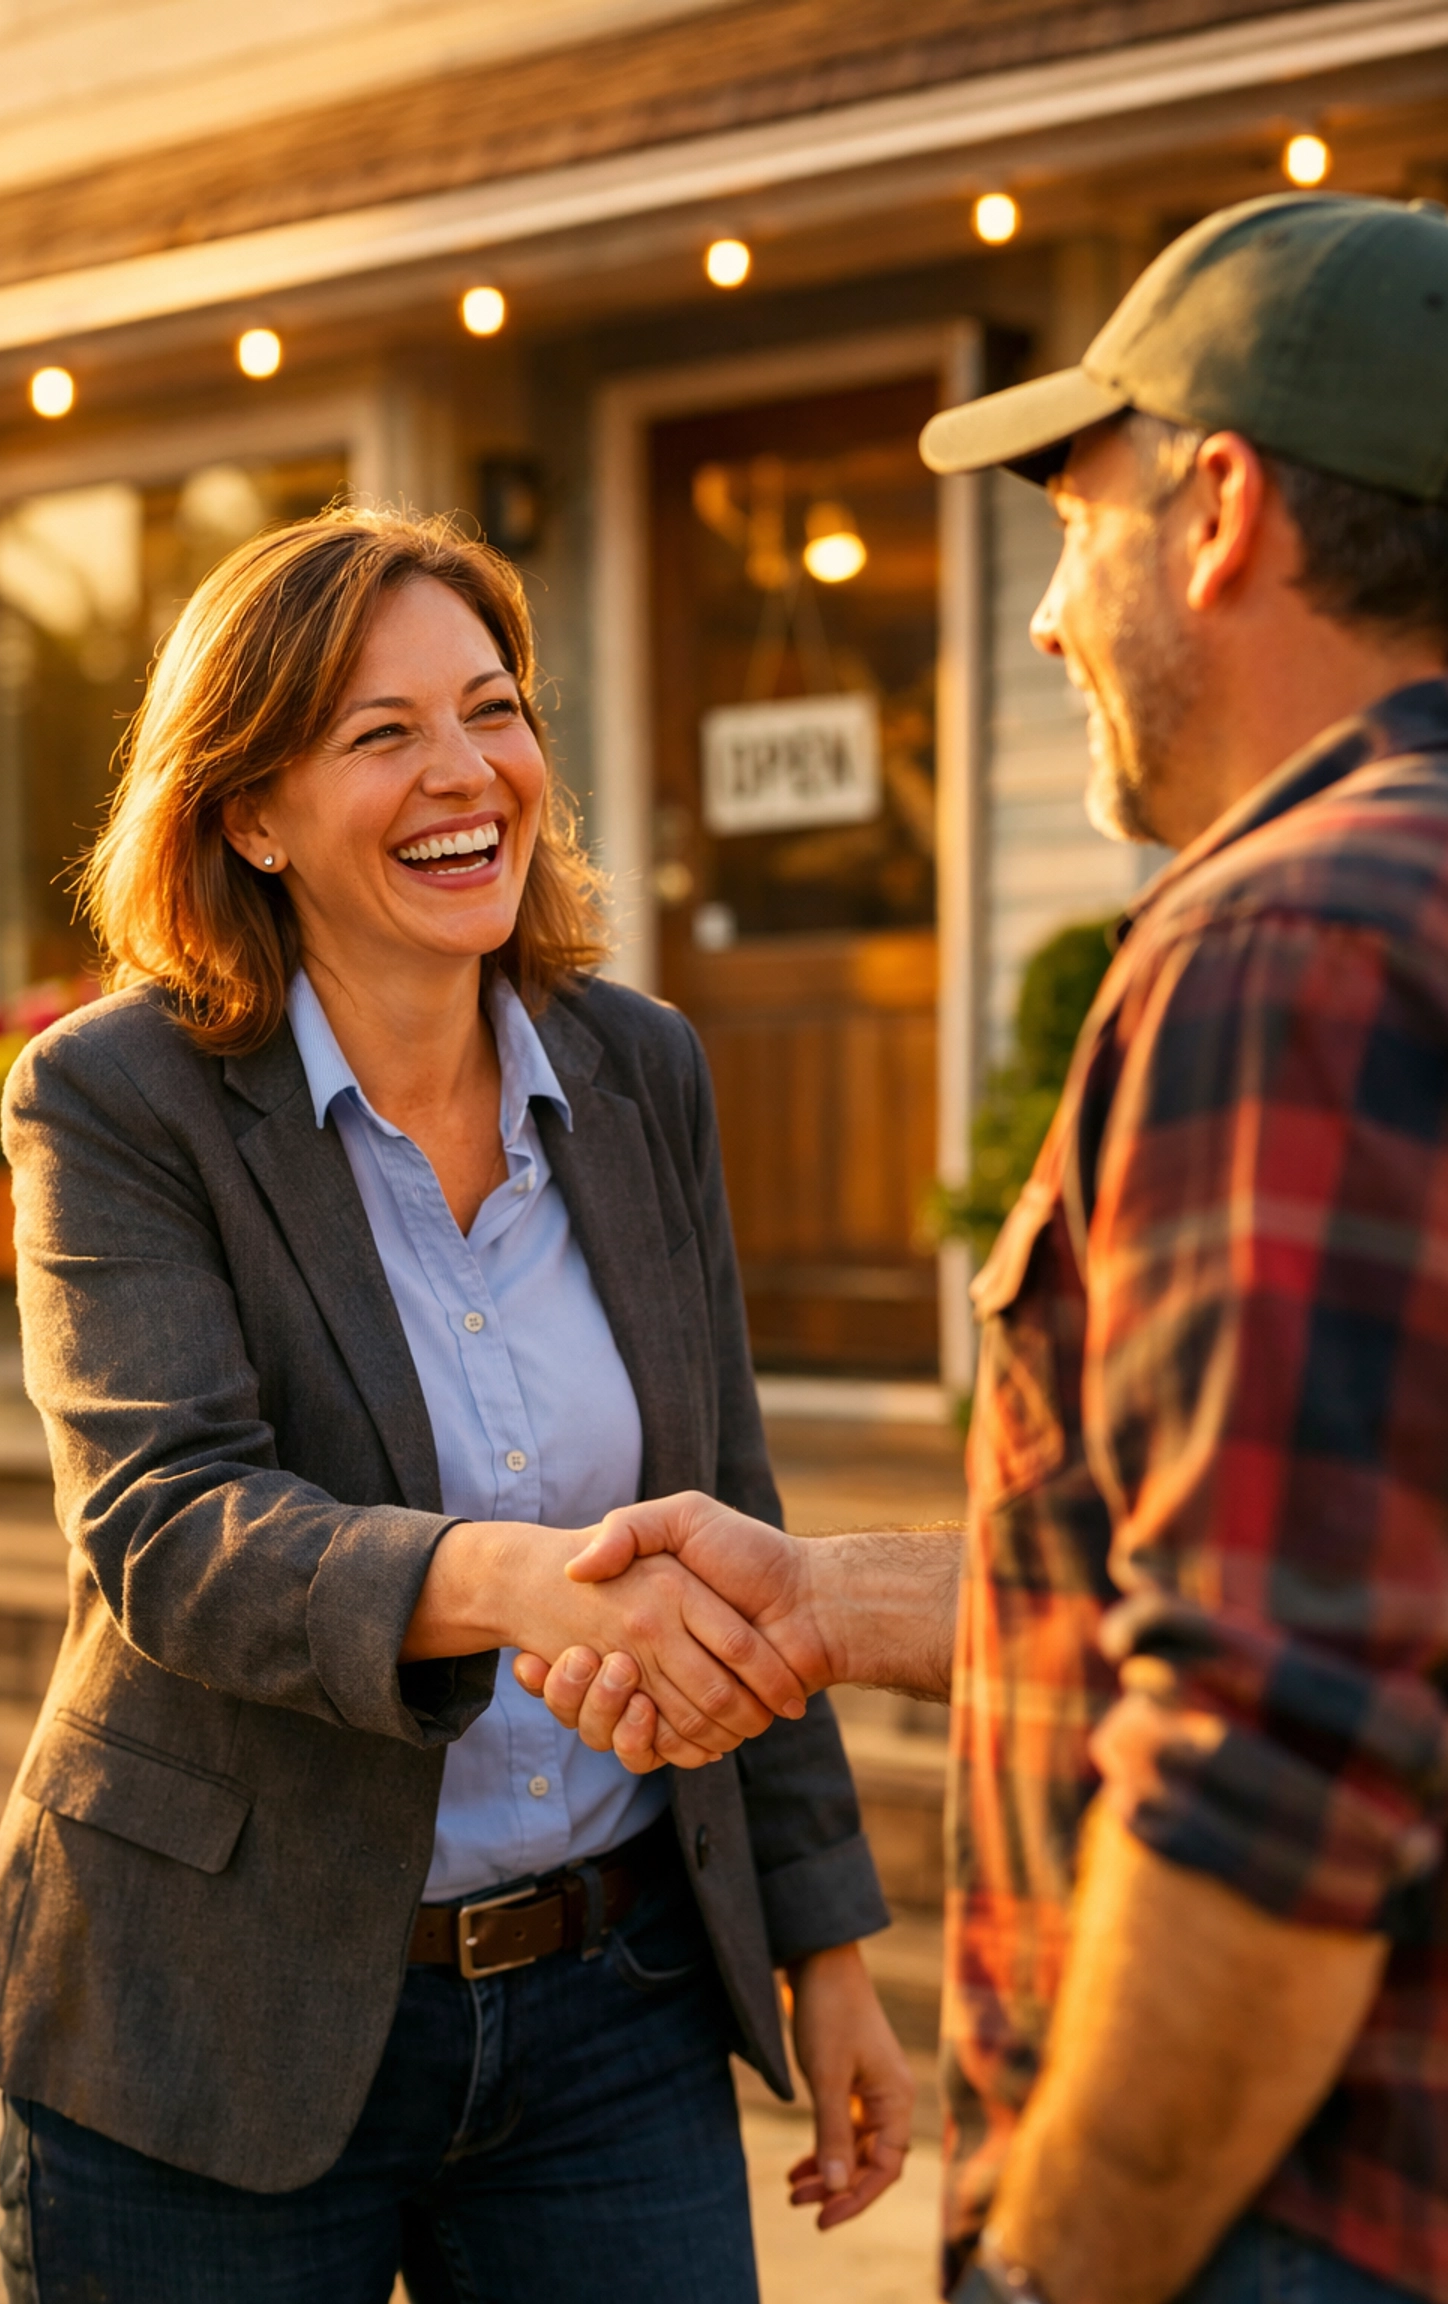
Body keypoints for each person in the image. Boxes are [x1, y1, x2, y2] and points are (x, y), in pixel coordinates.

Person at [520, 192, 1448, 2304]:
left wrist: (1059, 2269)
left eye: (1073, 520)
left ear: (1216, 510)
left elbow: (1274, 1768)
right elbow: (1342, 1565)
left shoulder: (1291, 942)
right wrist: (826, 1596)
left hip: (1286, 2219)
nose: (1043, 619)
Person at [0, 510, 913, 2303]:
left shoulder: (640, 1068)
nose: (466, 773)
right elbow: (169, 1521)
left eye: (492, 707)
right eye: (379, 733)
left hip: (616, 2005)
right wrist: (514, 1580)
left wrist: (826, 1937)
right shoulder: (116, 1099)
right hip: (211, 2018)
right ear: (249, 812)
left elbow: (734, 1495)